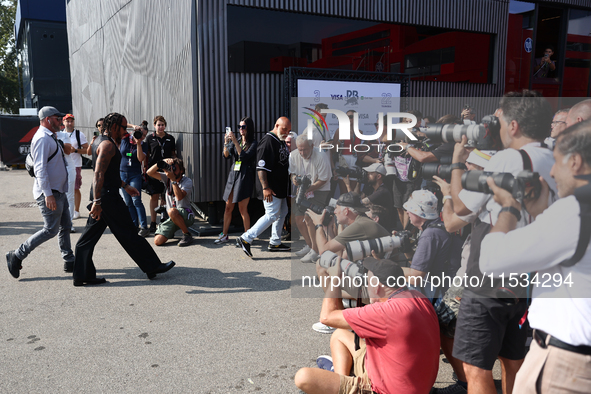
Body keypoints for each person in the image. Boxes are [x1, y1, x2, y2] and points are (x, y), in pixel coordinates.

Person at [450, 90, 558, 394]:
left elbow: (461, 208)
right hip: (532, 276)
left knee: (475, 365)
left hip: (491, 277)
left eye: (500, 121)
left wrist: (458, 164)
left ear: (513, 126)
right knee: (514, 360)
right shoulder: (554, 158)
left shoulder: (508, 159)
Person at [479, 120, 591, 393]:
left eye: (556, 162)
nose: (551, 172)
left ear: (575, 161)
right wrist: (543, 214)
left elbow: (492, 262)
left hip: (566, 365)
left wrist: (509, 208)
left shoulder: (575, 211)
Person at [294, 258, 440, 394]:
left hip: (384, 390)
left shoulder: (384, 312)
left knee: (303, 377)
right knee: (340, 335)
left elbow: (326, 317)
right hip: (416, 383)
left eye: (368, 282)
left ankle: (339, 384)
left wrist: (334, 280)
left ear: (376, 287)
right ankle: (340, 381)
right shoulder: (417, 297)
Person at [73, 112, 175, 286]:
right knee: (128, 232)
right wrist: (97, 202)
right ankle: (152, 266)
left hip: (104, 196)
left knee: (88, 237)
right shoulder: (107, 145)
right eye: (123, 127)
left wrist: (125, 186)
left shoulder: (101, 141)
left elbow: (110, 172)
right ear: (113, 127)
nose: (125, 131)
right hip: (106, 199)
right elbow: (98, 174)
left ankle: (83, 274)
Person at [306, 192, 390, 334]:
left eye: (336, 208)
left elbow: (324, 252)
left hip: (380, 291)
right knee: (331, 265)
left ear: (347, 211)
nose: (334, 211)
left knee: (321, 265)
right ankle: (346, 309)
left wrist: (318, 225)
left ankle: (336, 318)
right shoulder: (361, 223)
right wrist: (328, 228)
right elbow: (338, 255)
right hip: (380, 285)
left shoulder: (360, 226)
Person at [6, 106, 75, 278]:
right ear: (47, 119)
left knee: (66, 226)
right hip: (50, 193)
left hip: (59, 190)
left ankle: (69, 260)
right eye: (57, 118)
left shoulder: (51, 136)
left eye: (61, 118)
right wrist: (48, 195)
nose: (60, 121)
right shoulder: (42, 139)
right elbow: (40, 170)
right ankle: (17, 255)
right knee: (50, 229)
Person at [236, 117, 291, 257]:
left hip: (280, 187)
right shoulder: (268, 141)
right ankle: (246, 238)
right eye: (284, 129)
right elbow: (261, 167)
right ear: (276, 125)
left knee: (282, 212)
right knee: (272, 215)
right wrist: (265, 187)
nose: (286, 132)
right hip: (270, 188)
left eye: (289, 130)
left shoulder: (279, 140)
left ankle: (275, 242)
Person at [215, 117, 258, 245]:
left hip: (245, 176)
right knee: (228, 207)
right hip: (233, 174)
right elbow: (226, 156)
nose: (240, 129)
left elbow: (243, 156)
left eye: (243, 127)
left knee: (242, 208)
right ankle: (224, 234)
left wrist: (235, 141)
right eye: (239, 127)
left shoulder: (253, 143)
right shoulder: (237, 141)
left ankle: (247, 237)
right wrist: (226, 142)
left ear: (249, 128)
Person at [291, 134, 332, 263]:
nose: (302, 153)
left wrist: (309, 189)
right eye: (300, 149)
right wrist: (294, 180)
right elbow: (292, 173)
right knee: (298, 218)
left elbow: (324, 179)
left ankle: (315, 251)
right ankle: (310, 246)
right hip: (303, 189)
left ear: (312, 146)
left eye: (305, 149)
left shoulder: (321, 156)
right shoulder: (293, 155)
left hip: (320, 189)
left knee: (309, 217)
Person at [147, 157, 195, 247]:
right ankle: (172, 231)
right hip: (172, 216)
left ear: (181, 170)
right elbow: (149, 172)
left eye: (175, 169)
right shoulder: (167, 177)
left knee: (172, 211)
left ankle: (187, 235)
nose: (172, 171)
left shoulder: (187, 181)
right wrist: (161, 162)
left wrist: (173, 180)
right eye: (170, 168)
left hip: (186, 215)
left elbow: (179, 197)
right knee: (158, 241)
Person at [145, 115, 176, 233]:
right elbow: (146, 155)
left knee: (166, 197)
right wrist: (145, 169)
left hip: (167, 171)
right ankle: (153, 222)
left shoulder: (170, 138)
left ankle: (166, 222)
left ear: (165, 126)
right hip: (154, 170)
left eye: (162, 125)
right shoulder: (149, 138)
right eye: (158, 125)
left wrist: (175, 161)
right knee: (154, 196)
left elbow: (173, 153)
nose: (160, 127)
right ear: (154, 126)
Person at [120, 125, 150, 236]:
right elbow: (119, 124)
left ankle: (143, 227)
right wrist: (133, 125)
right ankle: (133, 226)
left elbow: (140, 159)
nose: (141, 136)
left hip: (135, 175)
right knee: (128, 202)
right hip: (122, 173)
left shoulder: (143, 145)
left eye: (143, 135)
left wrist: (138, 143)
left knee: (136, 200)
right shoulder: (125, 139)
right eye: (139, 133)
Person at [63, 113, 89, 220]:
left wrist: (76, 150)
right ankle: (66, 210)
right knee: (63, 189)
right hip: (63, 165)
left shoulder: (79, 134)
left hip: (76, 164)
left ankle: (76, 211)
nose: (69, 123)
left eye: (71, 121)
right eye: (67, 121)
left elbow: (88, 150)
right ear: (63, 122)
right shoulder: (60, 134)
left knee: (75, 188)